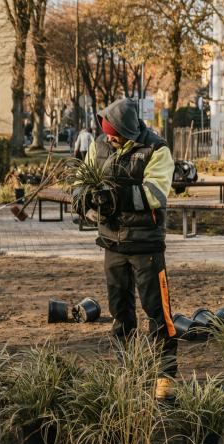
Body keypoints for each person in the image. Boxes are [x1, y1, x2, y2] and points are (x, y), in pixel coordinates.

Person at [82, 98, 177, 400]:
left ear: (128, 131)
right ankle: (128, 368)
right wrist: (84, 202)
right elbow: (80, 180)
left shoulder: (156, 149)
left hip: (146, 244)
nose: (109, 137)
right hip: (112, 242)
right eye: (107, 132)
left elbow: (155, 194)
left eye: (114, 133)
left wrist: (114, 196)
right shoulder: (98, 146)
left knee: (157, 312)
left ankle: (165, 375)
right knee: (120, 313)